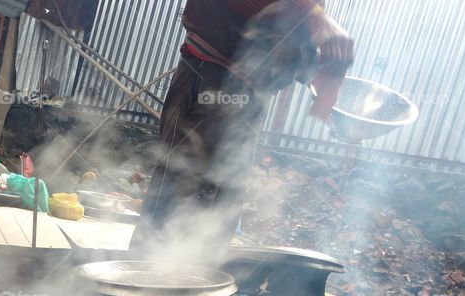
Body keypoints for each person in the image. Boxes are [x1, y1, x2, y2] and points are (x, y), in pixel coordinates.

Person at [131, 0, 354, 256]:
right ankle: (141, 289)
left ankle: (195, 288)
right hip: (211, 74)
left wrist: (320, 70)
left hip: (251, 92)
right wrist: (313, 14)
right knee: (178, 197)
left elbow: (285, 32)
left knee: (222, 206)